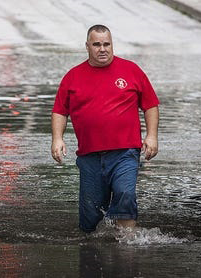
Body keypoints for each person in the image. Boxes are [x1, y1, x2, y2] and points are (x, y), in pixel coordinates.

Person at [51, 24, 159, 233]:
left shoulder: (131, 70)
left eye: (107, 44)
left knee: (125, 194)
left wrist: (151, 136)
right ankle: (92, 253)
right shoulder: (73, 76)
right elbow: (60, 111)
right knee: (90, 217)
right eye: (97, 44)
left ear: (112, 45)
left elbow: (150, 105)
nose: (103, 49)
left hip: (125, 152)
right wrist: (57, 138)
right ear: (87, 46)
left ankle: (127, 248)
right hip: (90, 157)